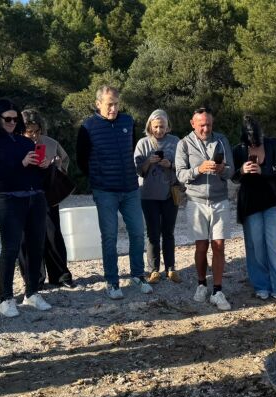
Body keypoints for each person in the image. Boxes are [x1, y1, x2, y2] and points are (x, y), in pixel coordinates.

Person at [76, 86, 151, 299]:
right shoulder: (88, 127)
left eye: (117, 104)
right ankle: (112, 281)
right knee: (109, 237)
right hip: (105, 190)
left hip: (130, 188)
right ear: (98, 103)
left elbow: (132, 149)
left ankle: (138, 274)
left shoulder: (128, 121)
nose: (114, 108)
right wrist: (97, 177)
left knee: (137, 232)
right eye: (110, 104)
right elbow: (81, 159)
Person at [0, 98, 53, 317]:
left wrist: (44, 166)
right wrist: (20, 163)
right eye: (7, 119)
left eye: (15, 118)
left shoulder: (25, 142)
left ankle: (32, 292)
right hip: (8, 199)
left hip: (34, 197)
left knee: (36, 247)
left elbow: (38, 177)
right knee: (10, 248)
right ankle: (6, 298)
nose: (12, 122)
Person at [232, 115, 276, 303]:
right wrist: (242, 170)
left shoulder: (273, 144)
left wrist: (263, 170)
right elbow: (233, 177)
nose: (254, 142)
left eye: (257, 138)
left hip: (272, 200)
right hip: (250, 203)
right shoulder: (238, 150)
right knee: (255, 247)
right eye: (250, 139)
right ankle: (261, 285)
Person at [175, 107, 234, 311]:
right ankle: (201, 284)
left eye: (208, 124)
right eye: (201, 125)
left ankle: (218, 290)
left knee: (219, 246)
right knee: (201, 246)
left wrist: (221, 169)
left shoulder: (221, 140)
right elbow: (180, 175)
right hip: (196, 201)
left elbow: (231, 171)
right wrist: (198, 169)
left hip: (220, 200)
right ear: (193, 123)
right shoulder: (184, 144)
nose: (206, 128)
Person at [18, 108, 76, 289]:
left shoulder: (51, 143)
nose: (34, 136)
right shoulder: (15, 145)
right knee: (27, 239)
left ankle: (60, 275)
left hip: (48, 195)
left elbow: (64, 163)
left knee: (53, 235)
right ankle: (33, 279)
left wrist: (54, 164)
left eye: (37, 131)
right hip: (22, 195)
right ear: (22, 131)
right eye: (30, 132)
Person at [134, 109, 182, 285]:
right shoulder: (143, 143)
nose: (159, 130)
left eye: (162, 126)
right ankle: (154, 270)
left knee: (168, 232)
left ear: (168, 126)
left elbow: (184, 167)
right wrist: (149, 162)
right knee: (153, 233)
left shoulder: (176, 142)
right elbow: (138, 170)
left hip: (170, 192)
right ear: (150, 126)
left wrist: (170, 164)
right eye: (156, 127)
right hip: (148, 194)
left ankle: (171, 268)